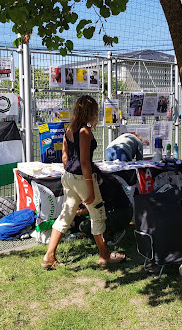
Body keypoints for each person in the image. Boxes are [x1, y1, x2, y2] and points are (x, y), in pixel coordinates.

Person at [42, 95, 125, 270]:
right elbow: (85, 162)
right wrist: (90, 188)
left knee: (66, 214)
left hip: (68, 176)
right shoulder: (84, 132)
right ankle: (104, 256)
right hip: (81, 177)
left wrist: (70, 173)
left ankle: (49, 256)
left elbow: (65, 157)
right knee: (98, 214)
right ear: (91, 111)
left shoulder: (69, 129)